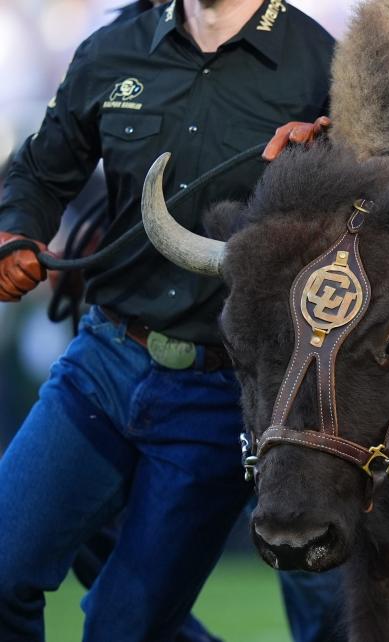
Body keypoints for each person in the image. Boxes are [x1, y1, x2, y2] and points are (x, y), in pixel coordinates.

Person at [0, 1, 342, 639]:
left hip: (220, 391)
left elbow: (364, 230)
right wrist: (17, 230)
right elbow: (42, 170)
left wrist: (319, 174)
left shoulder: (322, 68)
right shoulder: (114, 47)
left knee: (121, 631)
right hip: (102, 362)